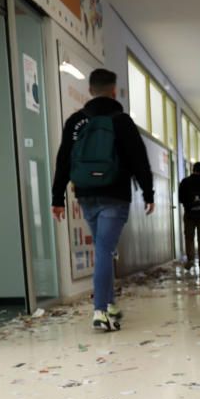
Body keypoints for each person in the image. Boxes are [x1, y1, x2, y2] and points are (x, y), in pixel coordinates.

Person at [51, 68, 154, 331]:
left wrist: (57, 197)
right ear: (113, 91)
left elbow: (64, 159)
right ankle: (99, 310)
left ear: (89, 90)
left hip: (86, 195)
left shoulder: (76, 121)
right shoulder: (122, 121)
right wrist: (148, 192)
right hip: (115, 195)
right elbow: (139, 159)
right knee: (104, 250)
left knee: (102, 249)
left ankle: (109, 304)